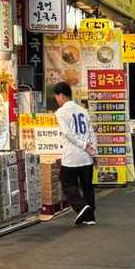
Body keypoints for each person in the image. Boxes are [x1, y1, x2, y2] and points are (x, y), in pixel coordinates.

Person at [53, 81, 97, 226]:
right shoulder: (83, 111)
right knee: (87, 186)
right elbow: (91, 133)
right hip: (87, 157)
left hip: (72, 156)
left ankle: (81, 207)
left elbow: (67, 133)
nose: (57, 100)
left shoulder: (61, 112)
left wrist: (82, 145)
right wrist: (93, 151)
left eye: (56, 97)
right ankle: (90, 217)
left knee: (66, 181)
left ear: (61, 95)